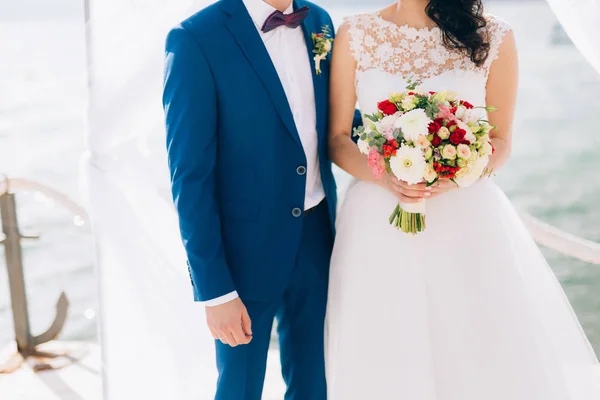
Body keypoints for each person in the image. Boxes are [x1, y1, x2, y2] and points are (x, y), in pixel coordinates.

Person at [325, 0, 600, 399]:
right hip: (377, 218)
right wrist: (388, 179)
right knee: (385, 342)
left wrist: (455, 174)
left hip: (467, 217)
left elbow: (500, 142)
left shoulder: (494, 35)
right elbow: (338, 139)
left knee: (476, 342)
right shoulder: (355, 32)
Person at [163, 0, 359, 398]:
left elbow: (336, 120)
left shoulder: (319, 21)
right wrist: (215, 291)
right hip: (243, 252)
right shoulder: (194, 39)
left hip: (317, 233)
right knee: (239, 387)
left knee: (314, 381)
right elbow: (190, 177)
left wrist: (408, 136)